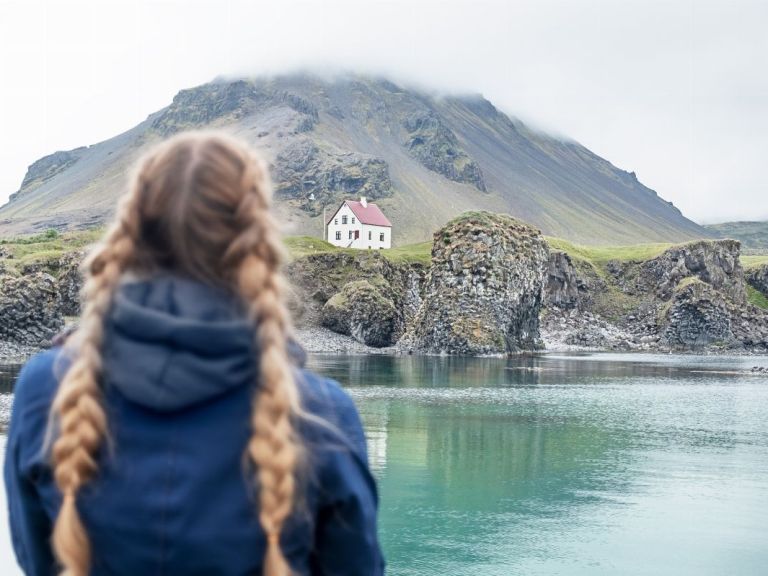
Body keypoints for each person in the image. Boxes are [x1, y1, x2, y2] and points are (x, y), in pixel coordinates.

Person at [4, 132, 385, 576]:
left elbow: (38, 561)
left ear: (134, 230)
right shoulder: (321, 413)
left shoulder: (45, 389)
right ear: (254, 241)